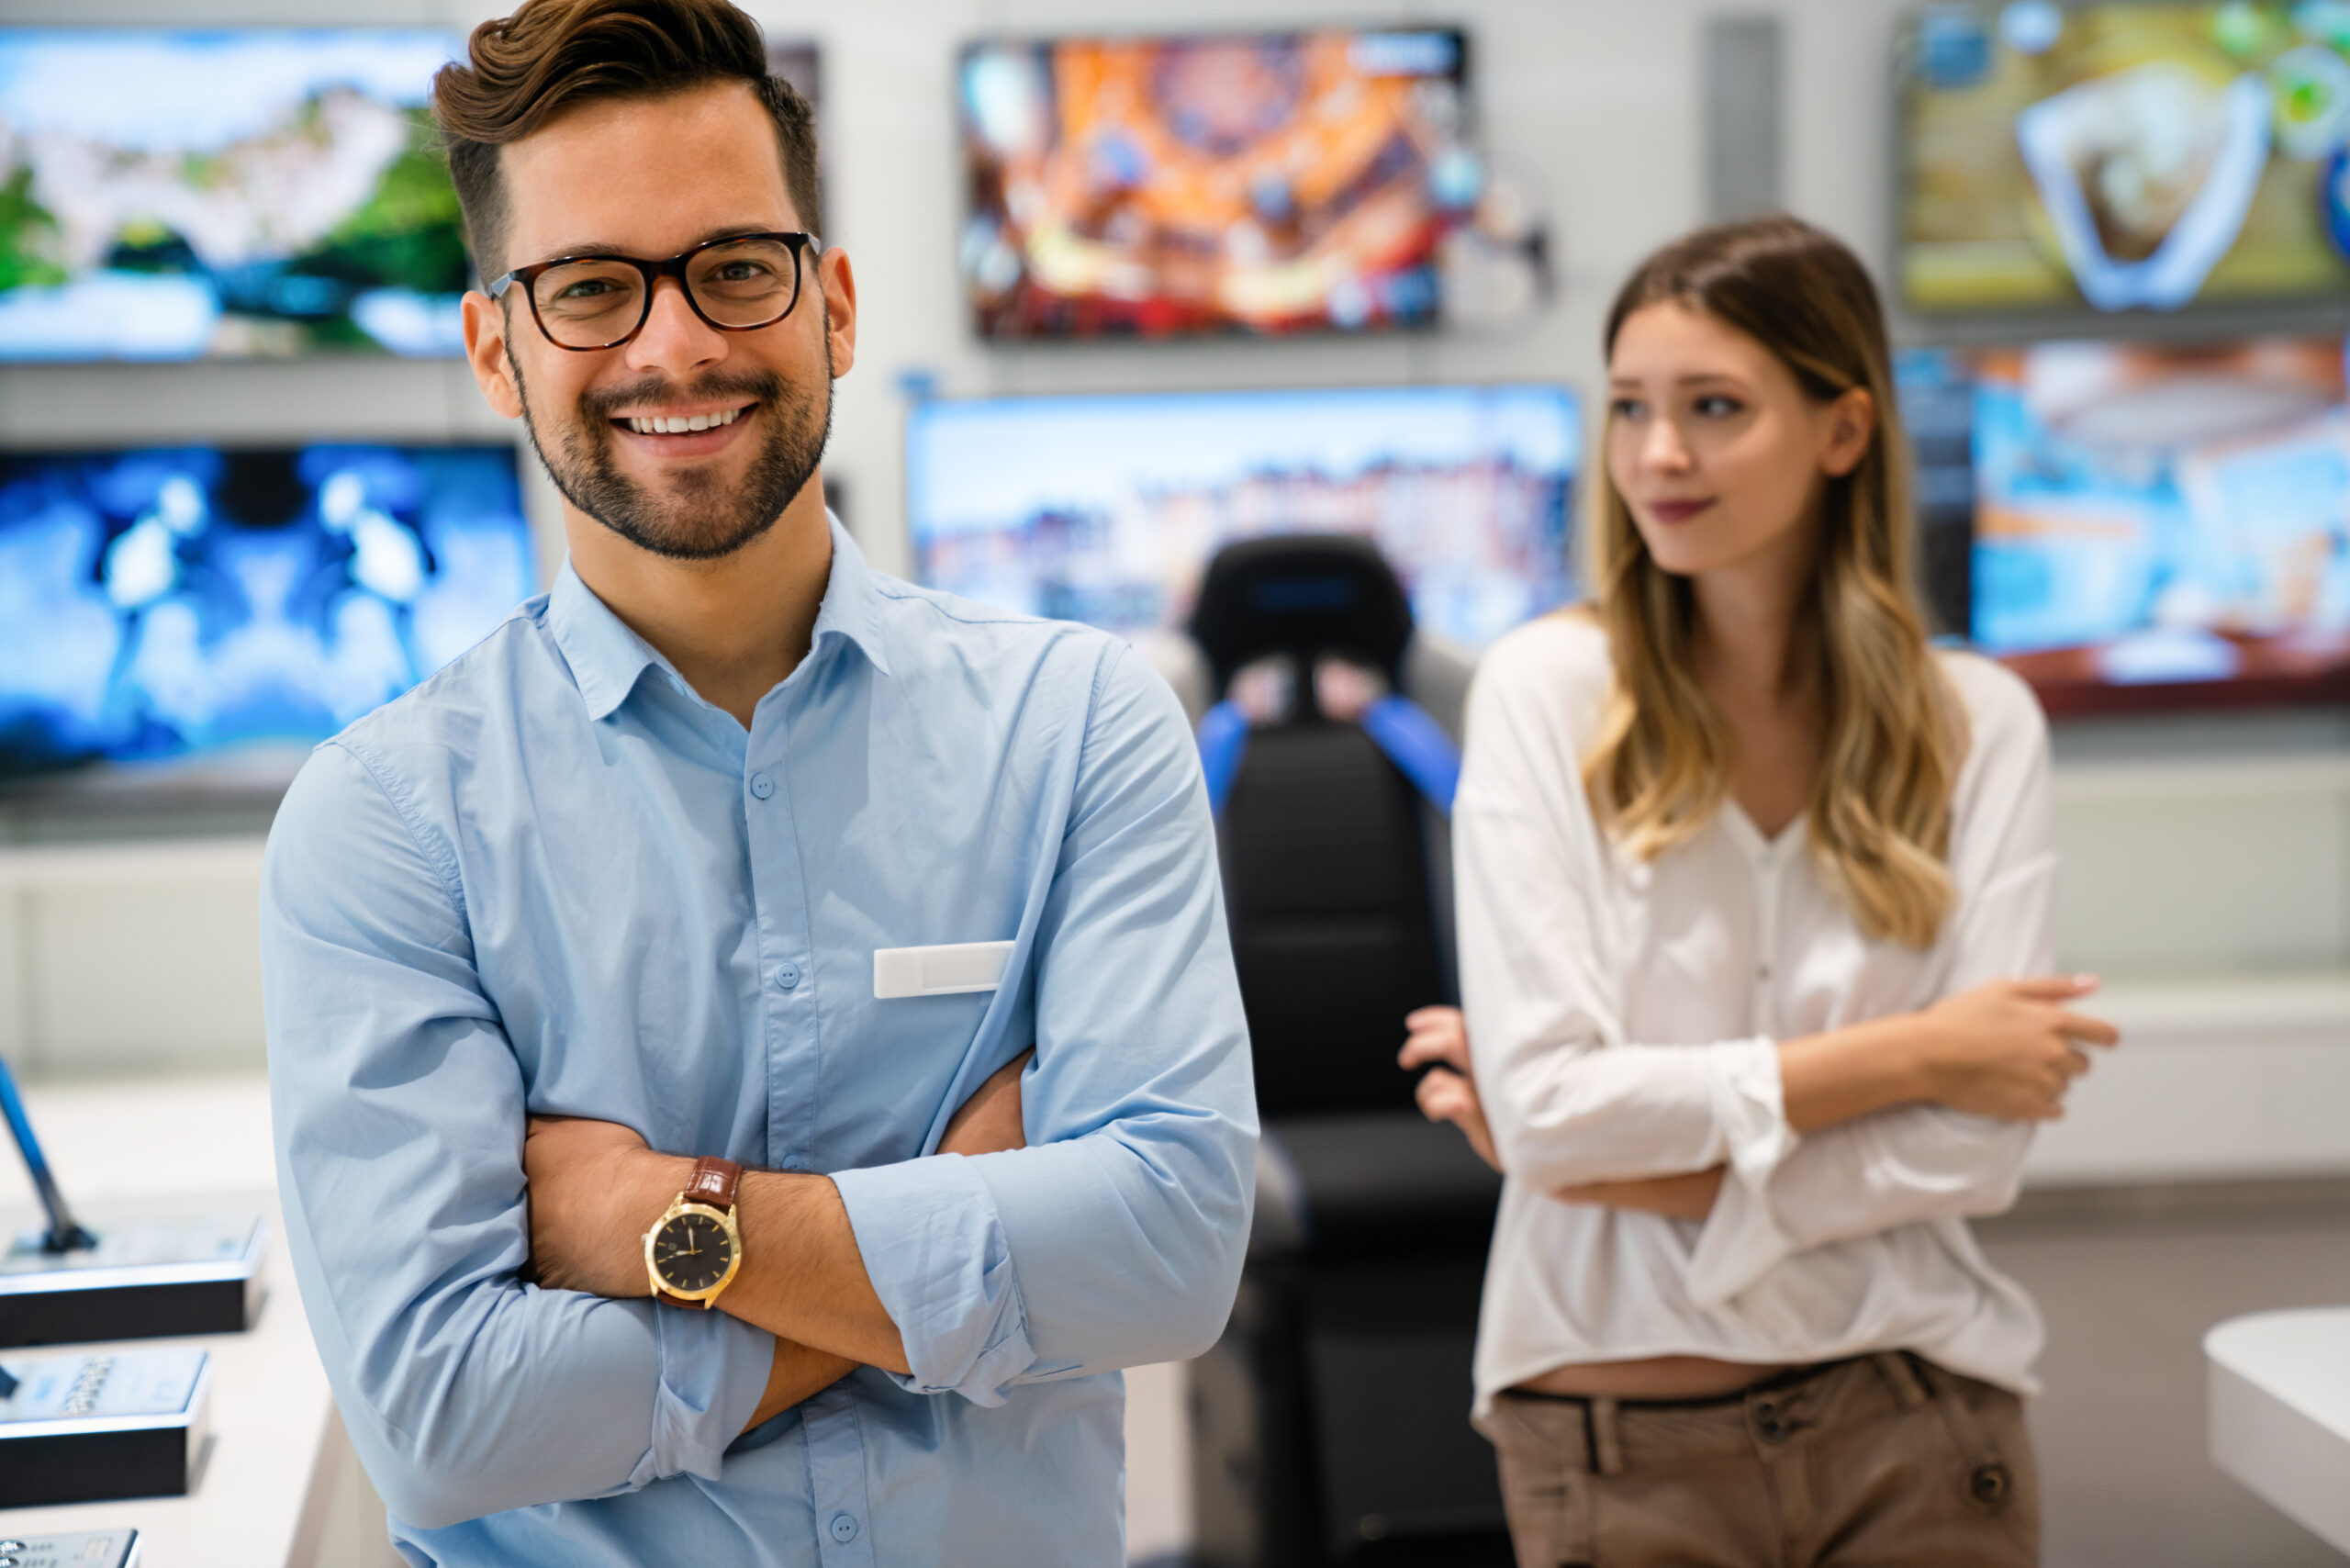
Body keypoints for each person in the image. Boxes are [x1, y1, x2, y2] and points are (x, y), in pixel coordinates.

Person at [256, 3, 1256, 1563]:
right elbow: (443, 1422)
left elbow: (1173, 1256)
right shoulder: (385, 822)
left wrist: (653, 1219)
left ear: (834, 304)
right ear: (494, 349)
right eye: (590, 288)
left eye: (735, 268)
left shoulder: (1077, 727)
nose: (675, 345)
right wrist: (954, 1229)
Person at [1398, 216, 2118, 1567]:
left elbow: (1977, 1150)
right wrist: (1915, 1053)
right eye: (1630, 410)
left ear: (1843, 430)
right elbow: (1554, 1117)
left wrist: (1620, 1165)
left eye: (1714, 408)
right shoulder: (1547, 696)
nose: (1658, 456)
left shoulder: (1982, 723)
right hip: (1617, 1444)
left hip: (1920, 1418)